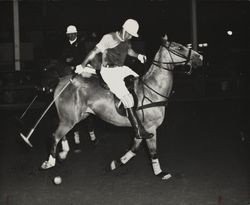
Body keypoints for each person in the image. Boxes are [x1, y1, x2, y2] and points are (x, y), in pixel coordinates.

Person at [75, 19, 153, 139]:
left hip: (121, 69)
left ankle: (140, 112)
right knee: (128, 99)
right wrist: (83, 65)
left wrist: (138, 56)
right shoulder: (109, 38)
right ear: (124, 30)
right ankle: (138, 129)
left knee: (139, 81)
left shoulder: (127, 40)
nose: (131, 36)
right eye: (130, 33)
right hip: (109, 72)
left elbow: (129, 50)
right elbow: (94, 52)